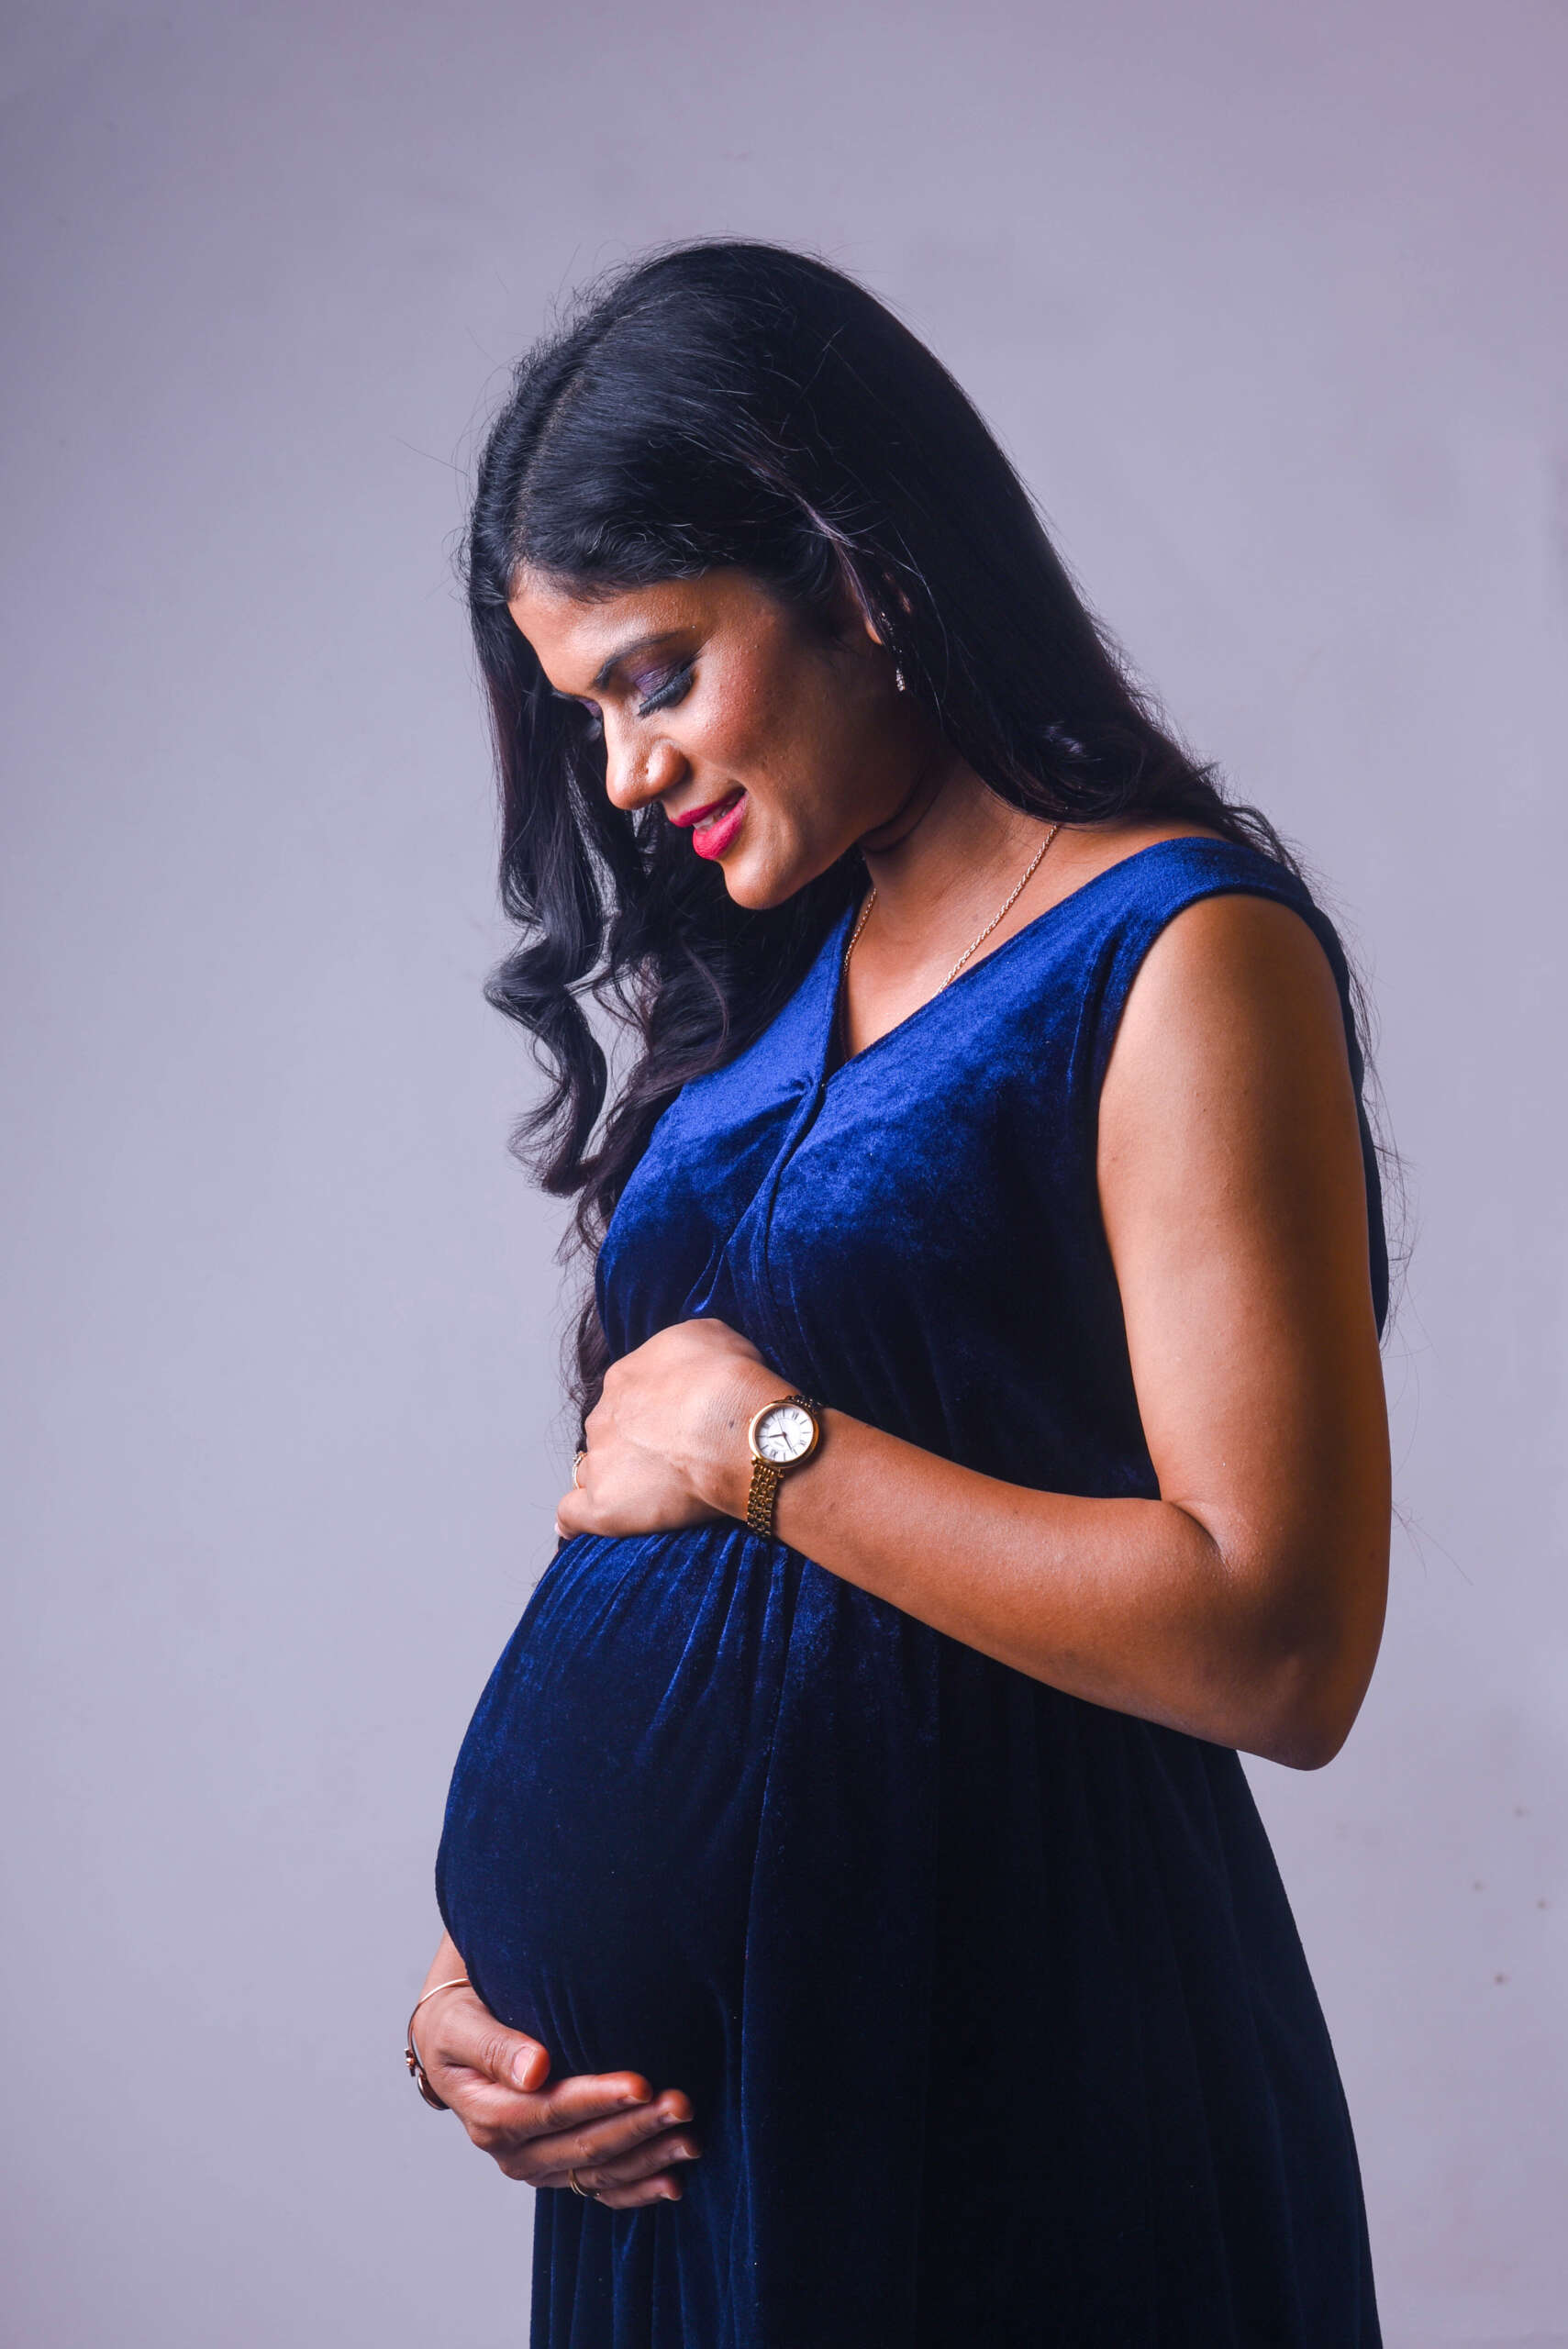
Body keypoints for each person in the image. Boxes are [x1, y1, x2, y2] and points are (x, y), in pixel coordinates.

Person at [407, 240, 1391, 2347]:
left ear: (858, 573)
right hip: (688, 2149)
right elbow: (669, 1571)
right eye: (585, 713)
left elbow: (1285, 1640)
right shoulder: (774, 992)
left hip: (1004, 2085)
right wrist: (478, 1989)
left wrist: (761, 1446)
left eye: (656, 676)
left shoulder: (1177, 955)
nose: (622, 773)